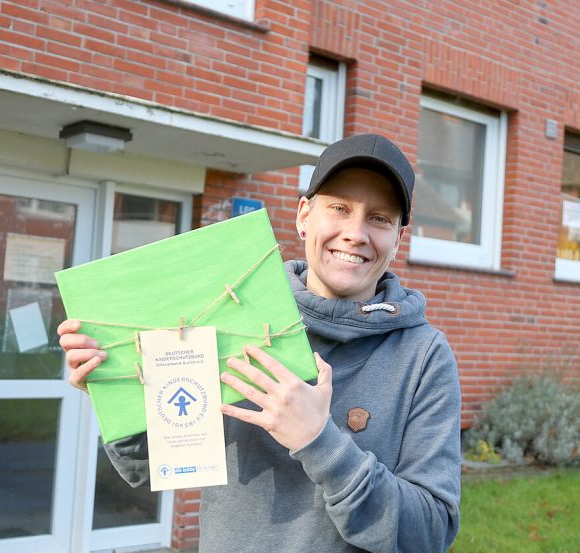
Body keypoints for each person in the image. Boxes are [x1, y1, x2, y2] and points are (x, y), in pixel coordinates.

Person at [58, 134, 462, 552]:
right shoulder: (233, 316)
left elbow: (429, 534)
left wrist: (320, 441)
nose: (355, 233)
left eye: (379, 218)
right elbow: (146, 466)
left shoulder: (424, 356)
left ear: (398, 238)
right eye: (339, 208)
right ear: (305, 215)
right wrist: (116, 387)